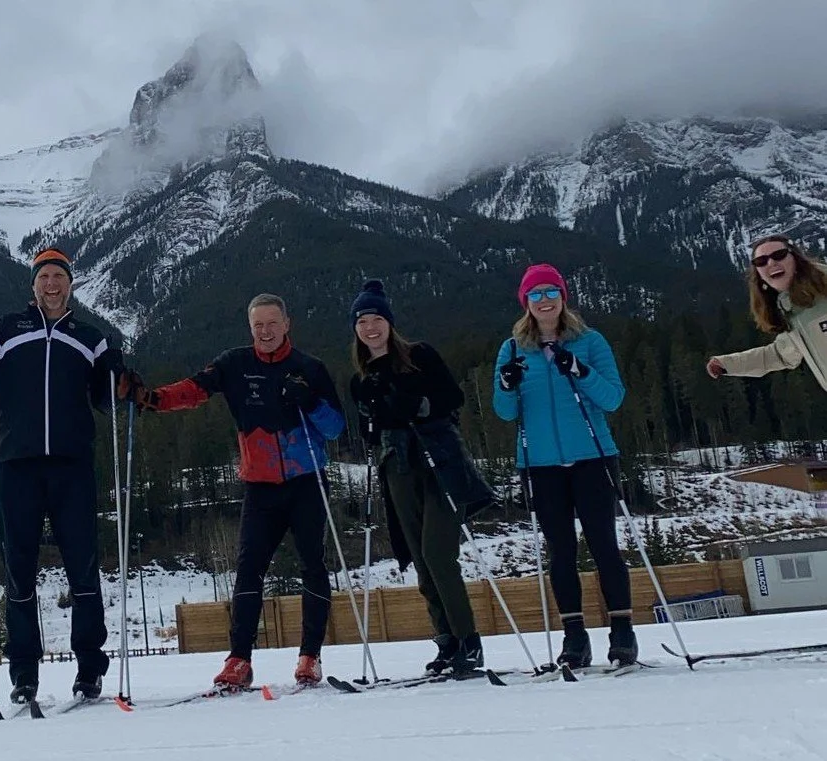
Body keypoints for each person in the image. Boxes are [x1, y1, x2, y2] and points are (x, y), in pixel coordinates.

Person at [0, 247, 127, 704]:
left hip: (72, 467)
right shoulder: (3, 332)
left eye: (59, 276)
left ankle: (90, 670)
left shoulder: (90, 337)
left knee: (83, 570)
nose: (51, 284)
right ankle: (24, 674)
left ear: (70, 283)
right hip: (14, 466)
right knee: (19, 572)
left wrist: (115, 373)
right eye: (44, 277)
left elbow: (105, 400)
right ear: (32, 285)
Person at [130, 293, 344, 687]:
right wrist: (152, 399)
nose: (265, 332)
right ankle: (238, 660)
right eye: (257, 325)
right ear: (250, 328)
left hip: (306, 482)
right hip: (260, 487)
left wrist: (310, 400)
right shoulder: (235, 363)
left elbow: (334, 427)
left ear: (286, 323)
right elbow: (194, 389)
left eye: (271, 323)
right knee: (248, 571)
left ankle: (310, 657)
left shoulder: (310, 368)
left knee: (313, 567)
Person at [492, 263, 635, 667]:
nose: (543, 300)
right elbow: (504, 412)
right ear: (525, 303)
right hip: (540, 464)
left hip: (592, 456)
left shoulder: (589, 341)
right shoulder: (512, 347)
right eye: (534, 294)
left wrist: (580, 370)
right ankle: (574, 637)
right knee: (561, 552)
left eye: (550, 291)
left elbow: (613, 398)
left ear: (563, 296)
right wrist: (507, 384)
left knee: (605, 545)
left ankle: (622, 631)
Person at [349, 279, 494, 675]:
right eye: (362, 321)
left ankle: (468, 641)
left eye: (376, 318)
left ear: (390, 322)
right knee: (421, 558)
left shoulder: (419, 356)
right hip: (397, 467)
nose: (370, 327)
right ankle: (446, 640)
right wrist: (372, 424)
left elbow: (453, 398)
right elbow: (369, 429)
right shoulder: (360, 380)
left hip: (439, 462)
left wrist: (418, 405)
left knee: (437, 553)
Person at [706, 234, 827, 391]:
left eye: (779, 255)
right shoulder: (793, 313)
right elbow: (779, 354)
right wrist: (728, 364)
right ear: (758, 273)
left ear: (795, 258)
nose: (771, 263)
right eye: (761, 261)